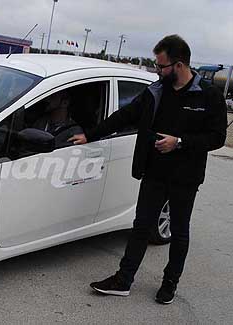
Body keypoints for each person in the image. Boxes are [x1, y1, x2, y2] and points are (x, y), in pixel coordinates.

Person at [69, 35, 227, 304]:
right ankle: (123, 280)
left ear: (178, 65)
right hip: (154, 173)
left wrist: (180, 143)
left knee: (179, 232)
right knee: (140, 227)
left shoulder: (208, 96)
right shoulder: (156, 91)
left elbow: (217, 138)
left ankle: (170, 284)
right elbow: (125, 115)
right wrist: (91, 135)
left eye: (161, 66)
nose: (157, 70)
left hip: (185, 179)